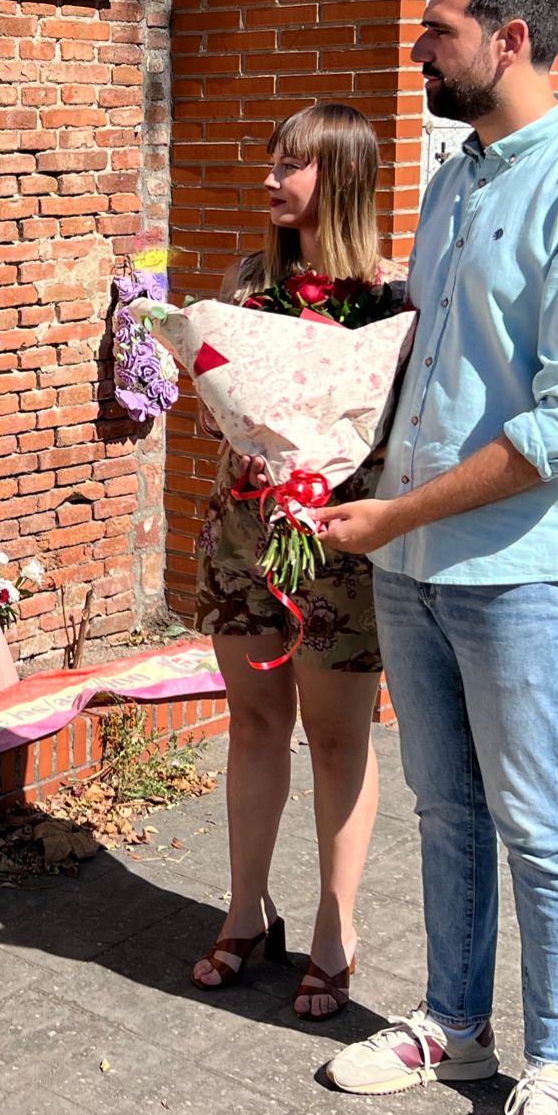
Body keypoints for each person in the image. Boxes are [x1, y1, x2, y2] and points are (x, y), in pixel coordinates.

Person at [315, 0, 558, 1115]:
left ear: (507, 40)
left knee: (534, 815)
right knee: (446, 808)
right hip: (412, 560)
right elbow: (440, 341)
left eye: (436, 30)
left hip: (519, 564)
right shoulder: (456, 177)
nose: (418, 49)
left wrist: (393, 517)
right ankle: (456, 1026)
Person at [189, 102, 400, 1022]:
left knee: (342, 737)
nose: (271, 178)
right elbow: (215, 410)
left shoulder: (394, 301)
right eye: (272, 160)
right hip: (244, 535)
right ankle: (246, 907)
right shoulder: (245, 284)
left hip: (340, 547)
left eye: (293, 165)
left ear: (342, 178)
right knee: (252, 723)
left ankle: (335, 926)